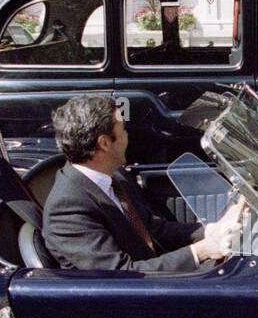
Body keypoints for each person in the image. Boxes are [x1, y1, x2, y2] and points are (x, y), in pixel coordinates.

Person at [42, 94, 246, 272]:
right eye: (122, 128)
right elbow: (122, 273)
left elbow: (152, 228)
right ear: (104, 143)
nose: (127, 134)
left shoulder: (115, 176)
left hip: (156, 278)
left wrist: (211, 231)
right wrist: (204, 250)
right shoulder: (67, 209)